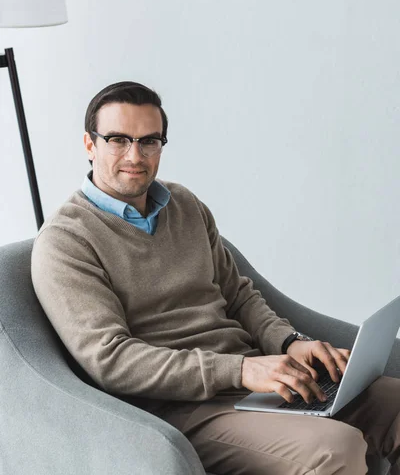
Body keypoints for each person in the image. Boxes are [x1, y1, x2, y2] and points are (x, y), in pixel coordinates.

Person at [31, 81, 400, 475]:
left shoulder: (185, 205)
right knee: (334, 448)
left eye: (149, 141)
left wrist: (289, 342)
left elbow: (238, 295)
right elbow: (111, 359)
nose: (135, 155)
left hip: (261, 380)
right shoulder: (66, 241)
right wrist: (240, 370)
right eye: (118, 139)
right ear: (90, 145)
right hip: (181, 409)